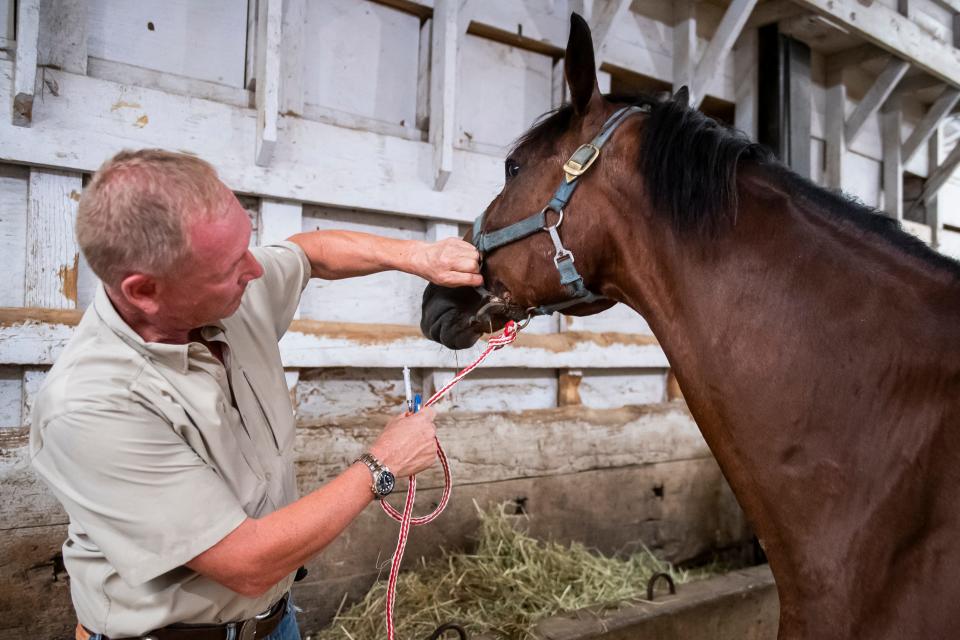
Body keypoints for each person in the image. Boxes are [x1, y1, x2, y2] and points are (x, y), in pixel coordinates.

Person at [29, 149, 483, 640]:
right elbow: (246, 562)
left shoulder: (225, 296)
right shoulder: (92, 406)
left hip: (272, 622)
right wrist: (382, 466)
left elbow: (310, 253)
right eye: (229, 265)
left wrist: (418, 257)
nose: (255, 269)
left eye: (246, 246)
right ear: (144, 291)